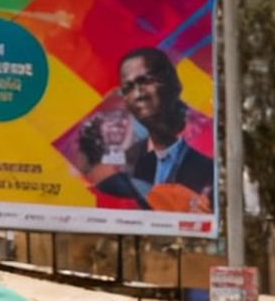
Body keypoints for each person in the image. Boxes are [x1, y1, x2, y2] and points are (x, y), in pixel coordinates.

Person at [80, 47, 215, 211]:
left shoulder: (210, 161)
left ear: (171, 84)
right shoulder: (125, 165)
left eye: (145, 81)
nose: (138, 94)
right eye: (128, 88)